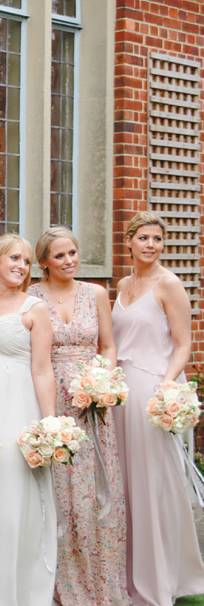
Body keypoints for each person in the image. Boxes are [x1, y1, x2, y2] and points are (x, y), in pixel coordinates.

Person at [27, 227, 128, 606]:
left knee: (97, 494)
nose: (69, 261)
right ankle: (59, 585)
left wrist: (103, 382)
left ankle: (102, 582)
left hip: (93, 407)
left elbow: (108, 345)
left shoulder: (96, 293)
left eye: (73, 253)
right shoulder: (32, 297)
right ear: (44, 263)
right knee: (62, 495)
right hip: (53, 403)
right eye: (60, 256)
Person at [111, 212, 204, 606]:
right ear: (129, 241)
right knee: (125, 487)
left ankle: (161, 580)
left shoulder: (169, 284)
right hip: (117, 394)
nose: (151, 245)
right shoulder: (122, 285)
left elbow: (183, 343)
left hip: (151, 390)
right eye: (144, 238)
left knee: (152, 485)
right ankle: (125, 576)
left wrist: (167, 386)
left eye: (157, 239)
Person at [0, 233, 57, 606]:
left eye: (26, 261)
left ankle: (21, 590)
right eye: (14, 258)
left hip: (18, 404)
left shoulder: (35, 308)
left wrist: (49, 424)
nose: (21, 266)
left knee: (11, 492)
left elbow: (43, 370)